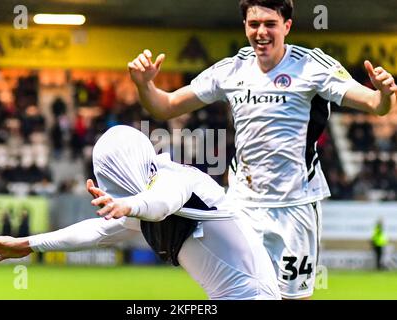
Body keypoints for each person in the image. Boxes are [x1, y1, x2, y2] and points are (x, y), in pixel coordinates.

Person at [127, 0, 397, 299]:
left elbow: (375, 105)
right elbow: (165, 106)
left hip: (295, 206)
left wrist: (383, 94)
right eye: (254, 24)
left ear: (287, 26)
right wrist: (144, 85)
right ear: (245, 26)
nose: (261, 32)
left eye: (270, 24)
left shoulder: (312, 66)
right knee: (238, 293)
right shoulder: (231, 69)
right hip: (242, 205)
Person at [0, 125, 280, 300]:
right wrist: (27, 244)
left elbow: (162, 204)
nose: (112, 188)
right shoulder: (143, 199)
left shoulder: (177, 179)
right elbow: (96, 231)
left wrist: (127, 206)